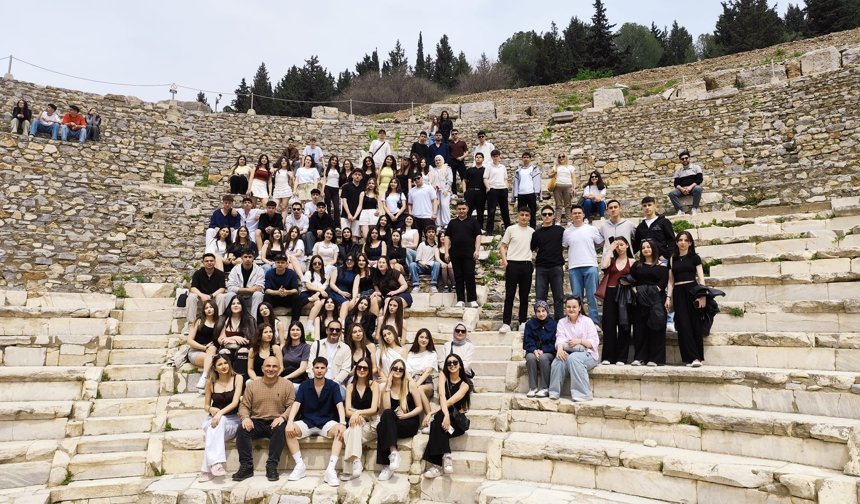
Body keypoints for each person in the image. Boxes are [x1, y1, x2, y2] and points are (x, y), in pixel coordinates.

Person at [231, 355, 296, 482]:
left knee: (280, 429)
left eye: (274, 366)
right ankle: (246, 467)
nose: (271, 369)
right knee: (242, 430)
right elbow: (244, 405)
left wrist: (283, 417)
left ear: (279, 369)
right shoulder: (252, 385)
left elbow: (291, 405)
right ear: (262, 368)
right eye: (268, 366)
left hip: (276, 420)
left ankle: (271, 466)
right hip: (257, 421)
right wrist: (245, 418)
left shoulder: (287, 384)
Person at [284, 356, 347, 486]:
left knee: (341, 431)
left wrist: (342, 422)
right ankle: (300, 466)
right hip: (307, 422)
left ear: (326, 370)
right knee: (288, 429)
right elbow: (296, 404)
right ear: (312, 369)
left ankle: (330, 469)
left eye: (322, 368)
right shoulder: (304, 385)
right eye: (317, 368)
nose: (319, 370)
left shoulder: (333, 385)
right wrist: (290, 421)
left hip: (326, 422)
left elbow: (340, 405)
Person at [421, 352, 472, 478]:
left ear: (460, 365)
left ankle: (437, 466)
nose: (452, 365)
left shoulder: (465, 385)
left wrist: (433, 413)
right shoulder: (443, 375)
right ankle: (446, 457)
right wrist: (445, 415)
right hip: (445, 422)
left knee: (437, 423)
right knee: (439, 421)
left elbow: (450, 401)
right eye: (449, 363)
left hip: (457, 425)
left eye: (455, 362)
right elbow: (442, 396)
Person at [376, 358, 423, 481]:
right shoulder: (387, 387)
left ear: (404, 372)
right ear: (391, 370)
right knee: (382, 423)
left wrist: (406, 416)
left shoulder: (409, 384)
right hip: (395, 424)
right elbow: (386, 409)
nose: (398, 371)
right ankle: (393, 454)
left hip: (409, 423)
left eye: (401, 369)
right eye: (395, 368)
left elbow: (419, 407)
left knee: (382, 427)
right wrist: (388, 386)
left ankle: (386, 465)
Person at [198, 354, 243, 482]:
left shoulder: (237, 378)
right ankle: (216, 465)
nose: (223, 366)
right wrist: (211, 409)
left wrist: (219, 414)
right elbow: (206, 406)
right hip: (212, 420)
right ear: (215, 368)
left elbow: (235, 403)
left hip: (232, 420)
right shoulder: (210, 383)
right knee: (215, 428)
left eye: (225, 363)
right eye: (220, 364)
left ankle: (207, 470)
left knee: (213, 430)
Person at [666, 231, 706, 367]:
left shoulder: (695, 257)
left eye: (685, 240)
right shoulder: (672, 259)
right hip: (678, 292)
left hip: (693, 291)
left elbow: (701, 278)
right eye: (680, 240)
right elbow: (671, 281)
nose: (682, 242)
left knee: (695, 323)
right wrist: (668, 297)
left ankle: (698, 357)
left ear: (690, 243)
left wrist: (702, 295)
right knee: (683, 325)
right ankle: (690, 358)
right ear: (676, 242)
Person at [549, 296, 600, 401]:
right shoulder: (562, 322)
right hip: (568, 351)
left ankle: (583, 394)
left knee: (574, 358)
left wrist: (579, 341)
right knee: (558, 360)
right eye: (568, 307)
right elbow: (560, 338)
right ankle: (554, 392)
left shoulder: (588, 321)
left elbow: (593, 343)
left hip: (589, 354)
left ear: (580, 308)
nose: (571, 309)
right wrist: (559, 349)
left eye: (574, 307)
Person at [630, 239, 669, 366]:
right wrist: (636, 290)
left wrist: (653, 290)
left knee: (656, 327)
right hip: (640, 299)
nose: (646, 249)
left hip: (656, 299)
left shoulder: (662, 265)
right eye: (643, 248)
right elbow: (631, 280)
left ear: (653, 249)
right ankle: (640, 357)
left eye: (648, 247)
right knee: (640, 329)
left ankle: (655, 359)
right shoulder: (637, 265)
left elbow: (663, 282)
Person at [562, 205, 604, 323]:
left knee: (592, 297)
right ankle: (578, 322)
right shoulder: (567, 232)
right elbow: (564, 246)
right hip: (574, 267)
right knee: (576, 297)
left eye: (579, 213)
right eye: (574, 213)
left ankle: (594, 322)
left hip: (590, 265)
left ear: (583, 215)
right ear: (571, 215)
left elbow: (601, 243)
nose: (577, 215)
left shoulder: (591, 229)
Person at [339, 357, 379, 481]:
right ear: (356, 369)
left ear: (369, 370)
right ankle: (356, 462)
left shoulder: (374, 385)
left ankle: (349, 468)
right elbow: (347, 410)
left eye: (365, 368)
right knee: (353, 427)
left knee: (348, 433)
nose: (362, 370)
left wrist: (357, 413)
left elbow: (373, 409)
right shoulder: (350, 386)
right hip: (358, 424)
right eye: (359, 367)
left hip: (372, 423)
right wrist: (357, 416)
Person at [499, 207, 535, 333]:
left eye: (526, 215)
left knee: (524, 295)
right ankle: (506, 323)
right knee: (510, 295)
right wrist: (505, 262)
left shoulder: (532, 231)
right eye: (522, 215)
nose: (524, 217)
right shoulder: (511, 229)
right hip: (512, 264)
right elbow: (503, 246)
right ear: (518, 216)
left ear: (530, 217)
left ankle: (523, 321)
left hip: (526, 265)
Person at [599, 237, 634, 366]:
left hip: (625, 294)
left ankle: (621, 358)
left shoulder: (632, 261)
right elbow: (603, 265)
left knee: (624, 325)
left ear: (627, 246)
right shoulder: (612, 260)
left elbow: (636, 277)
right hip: (610, 293)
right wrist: (609, 249)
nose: (619, 247)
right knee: (609, 326)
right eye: (617, 245)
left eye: (621, 244)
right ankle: (608, 357)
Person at [531, 205, 565, 321]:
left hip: (556, 266)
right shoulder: (537, 233)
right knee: (540, 297)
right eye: (544, 214)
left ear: (554, 216)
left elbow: (565, 245)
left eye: (549, 214)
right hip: (541, 268)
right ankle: (541, 321)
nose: (547, 216)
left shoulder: (560, 230)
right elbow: (532, 248)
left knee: (559, 297)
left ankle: (559, 321)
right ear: (541, 216)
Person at [447, 201, 482, 308]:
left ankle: (472, 299)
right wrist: (447, 252)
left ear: (467, 209)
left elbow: (478, 236)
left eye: (463, 209)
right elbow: (447, 237)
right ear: (456, 210)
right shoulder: (452, 223)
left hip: (469, 254)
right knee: (458, 277)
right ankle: (460, 300)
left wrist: (477, 250)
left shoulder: (473, 221)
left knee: (469, 275)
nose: (461, 211)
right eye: (459, 209)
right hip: (455, 254)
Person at [214, 296, 256, 378]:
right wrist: (235, 338)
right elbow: (220, 339)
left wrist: (229, 339)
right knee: (224, 352)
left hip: (243, 347)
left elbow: (249, 340)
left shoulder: (249, 320)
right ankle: (226, 379)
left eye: (238, 303)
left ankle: (242, 380)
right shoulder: (224, 319)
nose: (235, 305)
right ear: (230, 306)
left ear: (242, 306)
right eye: (233, 303)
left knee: (243, 351)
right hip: (227, 347)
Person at [523, 300, 557, 398]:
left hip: (548, 352)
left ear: (547, 311)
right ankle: (533, 388)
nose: (541, 314)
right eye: (538, 311)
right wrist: (534, 350)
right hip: (533, 351)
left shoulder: (553, 324)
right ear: (535, 312)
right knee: (530, 357)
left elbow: (555, 342)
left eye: (543, 311)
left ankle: (544, 388)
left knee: (543, 358)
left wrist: (543, 350)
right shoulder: (530, 324)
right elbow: (527, 340)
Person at [307, 320, 352, 385]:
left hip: (336, 384)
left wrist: (333, 384)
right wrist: (316, 381)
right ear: (327, 330)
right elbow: (310, 366)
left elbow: (345, 370)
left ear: (340, 332)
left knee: (342, 394)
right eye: (331, 329)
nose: (334, 332)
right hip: (316, 383)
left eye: (337, 330)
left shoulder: (346, 348)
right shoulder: (316, 345)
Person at [188, 299, 220, 392]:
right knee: (211, 359)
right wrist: (203, 347)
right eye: (206, 308)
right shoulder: (199, 321)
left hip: (211, 351)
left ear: (215, 308)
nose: (209, 309)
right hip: (195, 351)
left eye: (211, 307)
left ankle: (204, 380)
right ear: (203, 310)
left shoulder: (218, 322)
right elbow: (189, 340)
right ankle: (205, 379)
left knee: (212, 350)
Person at [187, 253, 227, 327]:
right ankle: (191, 324)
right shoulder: (198, 273)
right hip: (201, 299)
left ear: (215, 262)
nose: (209, 263)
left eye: (211, 261)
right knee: (191, 296)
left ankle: (218, 323)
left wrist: (210, 296)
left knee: (221, 296)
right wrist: (202, 295)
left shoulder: (220, 274)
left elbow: (222, 288)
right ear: (203, 262)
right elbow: (193, 288)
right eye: (207, 261)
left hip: (213, 298)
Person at [632, 196, 676, 263]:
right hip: (646, 261)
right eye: (644, 206)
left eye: (649, 205)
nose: (647, 207)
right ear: (642, 208)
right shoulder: (640, 227)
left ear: (654, 206)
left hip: (662, 260)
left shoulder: (664, 222)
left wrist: (666, 256)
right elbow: (636, 246)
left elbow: (672, 240)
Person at [406, 328, 438, 416]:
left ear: (429, 340)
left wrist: (416, 385)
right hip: (411, 380)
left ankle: (429, 417)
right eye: (421, 337)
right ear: (417, 338)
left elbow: (428, 371)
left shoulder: (432, 353)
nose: (424, 340)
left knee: (420, 389)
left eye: (426, 338)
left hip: (426, 382)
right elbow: (407, 370)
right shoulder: (411, 354)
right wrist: (412, 382)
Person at [263, 255, 304, 322]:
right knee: (266, 297)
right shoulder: (269, 273)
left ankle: (294, 322)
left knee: (297, 297)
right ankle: (269, 322)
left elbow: (295, 290)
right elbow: (267, 290)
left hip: (287, 298)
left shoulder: (291, 273)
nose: (280, 264)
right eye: (278, 262)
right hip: (275, 298)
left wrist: (286, 291)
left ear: (286, 264)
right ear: (275, 263)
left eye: (282, 262)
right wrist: (277, 292)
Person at [225, 249, 266, 316]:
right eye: (245, 257)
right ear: (241, 258)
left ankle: (254, 321)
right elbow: (230, 288)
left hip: (251, 298)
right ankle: (230, 319)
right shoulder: (235, 269)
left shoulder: (259, 270)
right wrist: (250, 289)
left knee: (258, 294)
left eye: (250, 257)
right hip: (238, 298)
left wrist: (239, 289)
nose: (247, 259)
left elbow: (259, 288)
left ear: (253, 258)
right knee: (230, 294)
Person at [668, 150, 704, 215]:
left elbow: (699, 179)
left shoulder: (696, 168)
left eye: (686, 158)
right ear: (680, 160)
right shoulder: (678, 171)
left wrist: (690, 187)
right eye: (682, 159)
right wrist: (682, 189)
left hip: (693, 188)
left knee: (698, 189)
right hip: (682, 190)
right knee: (672, 194)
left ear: (689, 158)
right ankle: (680, 210)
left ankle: (694, 208)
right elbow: (676, 184)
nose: (684, 160)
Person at [484, 149, 511, 235]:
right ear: (492, 157)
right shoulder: (489, 166)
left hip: (502, 189)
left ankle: (508, 231)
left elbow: (506, 179)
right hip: (493, 190)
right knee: (491, 211)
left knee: (505, 211)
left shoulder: (502, 167)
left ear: (499, 156)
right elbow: (485, 178)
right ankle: (489, 232)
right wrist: (489, 188)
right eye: (494, 156)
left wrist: (506, 188)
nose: (495, 158)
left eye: (497, 156)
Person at [409, 226, 441, 293]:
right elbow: (418, 259)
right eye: (429, 232)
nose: (431, 233)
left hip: (432, 267)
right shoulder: (422, 244)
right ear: (426, 234)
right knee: (412, 264)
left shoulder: (437, 245)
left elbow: (437, 258)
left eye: (433, 232)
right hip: (421, 266)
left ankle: (433, 285)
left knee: (437, 264)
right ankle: (416, 286)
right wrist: (423, 263)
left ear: (435, 234)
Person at [408, 173, 438, 238]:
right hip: (415, 217)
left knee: (430, 238)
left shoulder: (429, 188)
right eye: (415, 179)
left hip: (428, 216)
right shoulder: (411, 191)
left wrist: (434, 213)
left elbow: (434, 201)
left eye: (418, 178)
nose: (417, 180)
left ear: (422, 178)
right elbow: (410, 204)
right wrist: (410, 214)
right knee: (416, 238)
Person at [463, 152, 487, 229]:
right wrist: (464, 192)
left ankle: (480, 228)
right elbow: (464, 180)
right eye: (477, 157)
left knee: (480, 211)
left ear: (483, 159)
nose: (478, 158)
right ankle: (467, 227)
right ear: (475, 158)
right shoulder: (470, 170)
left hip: (481, 192)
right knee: (468, 211)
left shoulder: (485, 170)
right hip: (470, 192)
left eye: (480, 157)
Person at [550, 153, 575, 223]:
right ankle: (558, 221)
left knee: (568, 204)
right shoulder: (556, 166)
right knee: (558, 205)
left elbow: (573, 177)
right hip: (557, 186)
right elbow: (550, 175)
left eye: (563, 156)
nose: (561, 158)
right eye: (559, 157)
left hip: (568, 186)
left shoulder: (570, 167)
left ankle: (569, 220)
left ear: (566, 157)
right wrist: (554, 172)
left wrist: (574, 187)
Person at [430, 155, 453, 229]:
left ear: (442, 160)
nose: (438, 162)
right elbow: (431, 180)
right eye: (436, 160)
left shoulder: (447, 168)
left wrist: (446, 189)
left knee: (444, 205)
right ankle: (439, 224)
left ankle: (446, 223)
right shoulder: (433, 170)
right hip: (436, 191)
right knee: (437, 206)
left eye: (439, 160)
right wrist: (433, 186)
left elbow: (450, 180)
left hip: (444, 190)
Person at [341, 169, 364, 237]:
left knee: (355, 237)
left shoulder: (363, 189)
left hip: (357, 216)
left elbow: (360, 205)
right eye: (356, 174)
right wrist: (348, 214)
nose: (357, 176)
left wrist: (355, 216)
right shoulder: (346, 186)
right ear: (352, 175)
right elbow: (344, 201)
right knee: (345, 236)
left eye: (359, 175)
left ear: (362, 177)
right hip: (345, 215)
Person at [447, 129, 468, 196]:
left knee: (464, 177)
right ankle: (454, 193)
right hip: (452, 162)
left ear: (458, 134)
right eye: (453, 134)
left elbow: (466, 152)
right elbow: (448, 153)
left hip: (461, 162)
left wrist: (462, 157)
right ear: (451, 135)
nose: (454, 135)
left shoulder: (462, 143)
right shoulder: (449, 144)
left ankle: (466, 192)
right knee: (453, 178)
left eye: (456, 133)